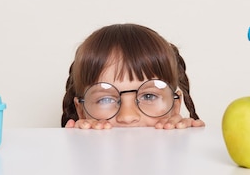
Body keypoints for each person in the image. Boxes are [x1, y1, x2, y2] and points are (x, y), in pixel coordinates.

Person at [61, 23, 205, 129]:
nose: (127, 117)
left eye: (149, 96)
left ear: (174, 106)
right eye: (105, 99)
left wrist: (186, 141)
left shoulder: (179, 144)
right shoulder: (79, 148)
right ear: (81, 110)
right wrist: (77, 145)